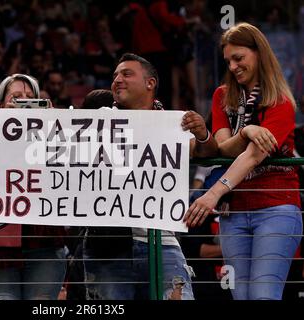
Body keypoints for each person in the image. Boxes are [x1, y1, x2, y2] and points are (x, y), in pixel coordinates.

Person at [82, 53, 218, 300]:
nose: (117, 80)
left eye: (126, 74)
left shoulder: (173, 124)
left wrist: (202, 133)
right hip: (108, 249)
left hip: (162, 243)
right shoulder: (99, 117)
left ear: (150, 83)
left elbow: (205, 152)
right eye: (114, 76)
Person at [184, 22, 303, 300]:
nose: (234, 66)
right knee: (241, 297)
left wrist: (211, 194)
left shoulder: (282, 102)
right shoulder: (222, 95)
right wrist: (248, 130)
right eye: (229, 61)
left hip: (276, 208)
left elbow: (252, 155)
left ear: (259, 53)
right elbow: (224, 148)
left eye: (240, 58)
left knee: (263, 295)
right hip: (233, 213)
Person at [0, 73, 67, 300]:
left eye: (30, 97)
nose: (23, 101)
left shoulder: (54, 134)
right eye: (16, 97)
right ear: (0, 105)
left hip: (45, 244)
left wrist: (57, 128)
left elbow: (69, 175)